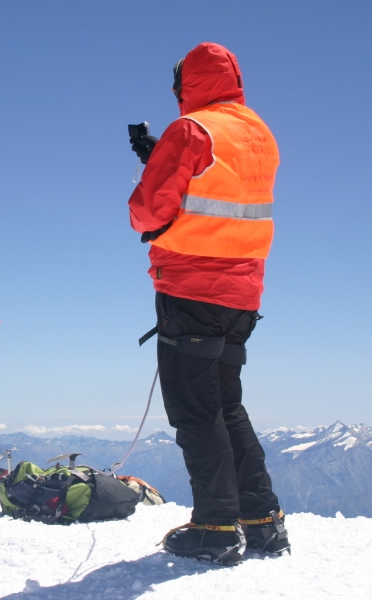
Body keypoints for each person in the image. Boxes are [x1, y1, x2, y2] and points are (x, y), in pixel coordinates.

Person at [128, 42, 290, 564]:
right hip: (243, 294)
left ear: (185, 84)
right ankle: (262, 521)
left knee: (197, 412)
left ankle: (216, 528)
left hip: (191, 288)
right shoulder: (259, 132)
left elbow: (147, 214)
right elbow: (222, 194)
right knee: (226, 405)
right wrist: (164, 157)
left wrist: (157, 163)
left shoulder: (191, 129)